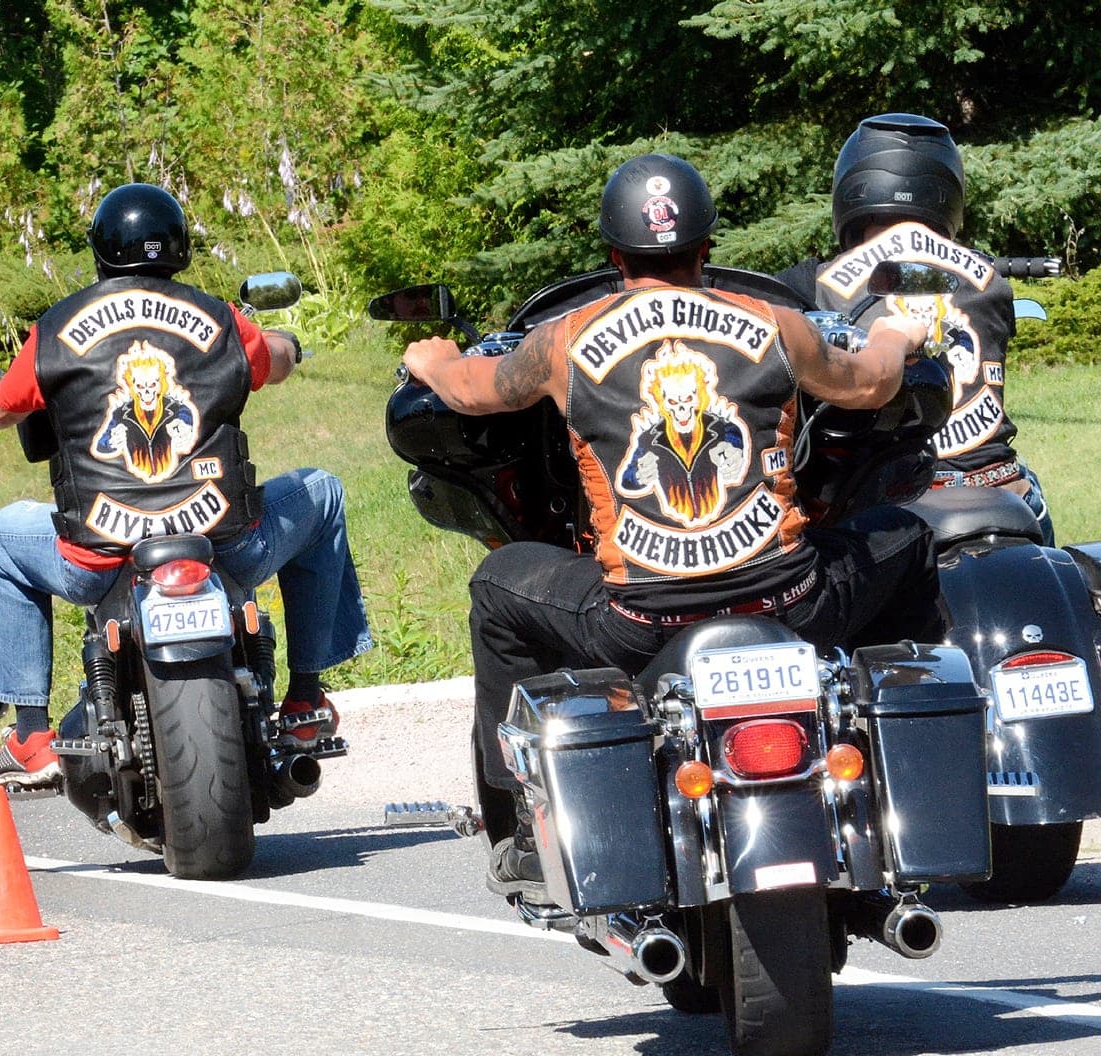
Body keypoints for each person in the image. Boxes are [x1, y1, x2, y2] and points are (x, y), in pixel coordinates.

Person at [401, 153, 940, 896]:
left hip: (638, 621)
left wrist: (433, 359)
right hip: (794, 601)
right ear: (707, 249)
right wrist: (893, 335)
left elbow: (472, 391)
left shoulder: (564, 341)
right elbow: (872, 382)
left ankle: (524, 830)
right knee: (909, 535)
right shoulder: (776, 324)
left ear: (614, 255)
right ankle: (899, 762)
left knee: (496, 585)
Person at [0, 182, 373, 788]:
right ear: (179, 248)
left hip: (95, 556)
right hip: (223, 542)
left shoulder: (54, 328)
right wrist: (287, 347)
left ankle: (30, 734)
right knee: (323, 490)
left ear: (101, 252)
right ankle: (305, 698)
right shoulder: (222, 319)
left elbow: (1, 403)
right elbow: (272, 364)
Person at [775, 112, 1049, 542]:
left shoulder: (813, 282)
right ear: (948, 194)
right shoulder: (992, 280)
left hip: (900, 496)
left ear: (852, 190)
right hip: (1000, 487)